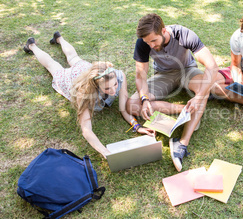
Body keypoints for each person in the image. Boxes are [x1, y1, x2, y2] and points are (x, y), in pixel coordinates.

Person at [22, 32, 157, 159]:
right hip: (71, 79)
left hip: (85, 68)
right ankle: (32, 46)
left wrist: (137, 126)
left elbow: (123, 109)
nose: (114, 90)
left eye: (115, 84)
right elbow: (86, 130)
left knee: (74, 58)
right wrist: (104, 151)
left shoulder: (119, 76)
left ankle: (59, 38)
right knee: (53, 66)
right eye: (108, 88)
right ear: (96, 85)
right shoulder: (85, 94)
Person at [126, 13, 218, 172]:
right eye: (147, 42)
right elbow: (141, 74)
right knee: (132, 104)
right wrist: (145, 99)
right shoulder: (143, 42)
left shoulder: (184, 34)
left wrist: (199, 96)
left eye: (153, 41)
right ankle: (185, 110)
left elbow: (212, 66)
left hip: (188, 71)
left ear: (163, 31)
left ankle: (182, 143)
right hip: (163, 75)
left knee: (204, 91)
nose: (151, 45)